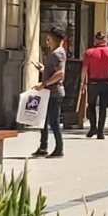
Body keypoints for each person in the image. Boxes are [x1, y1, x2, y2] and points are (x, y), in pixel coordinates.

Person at [32, 25, 67, 158]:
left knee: (53, 121)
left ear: (51, 38)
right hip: (49, 92)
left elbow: (60, 73)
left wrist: (44, 83)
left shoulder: (57, 53)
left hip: (54, 93)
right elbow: (54, 70)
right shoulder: (56, 52)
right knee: (44, 120)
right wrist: (43, 69)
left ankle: (59, 148)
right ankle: (43, 146)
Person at [81, 31, 108, 140]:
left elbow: (84, 69)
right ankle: (100, 132)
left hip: (93, 82)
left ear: (95, 40)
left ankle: (93, 127)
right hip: (105, 83)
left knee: (91, 105)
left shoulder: (89, 52)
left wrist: (82, 83)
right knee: (103, 107)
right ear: (104, 40)